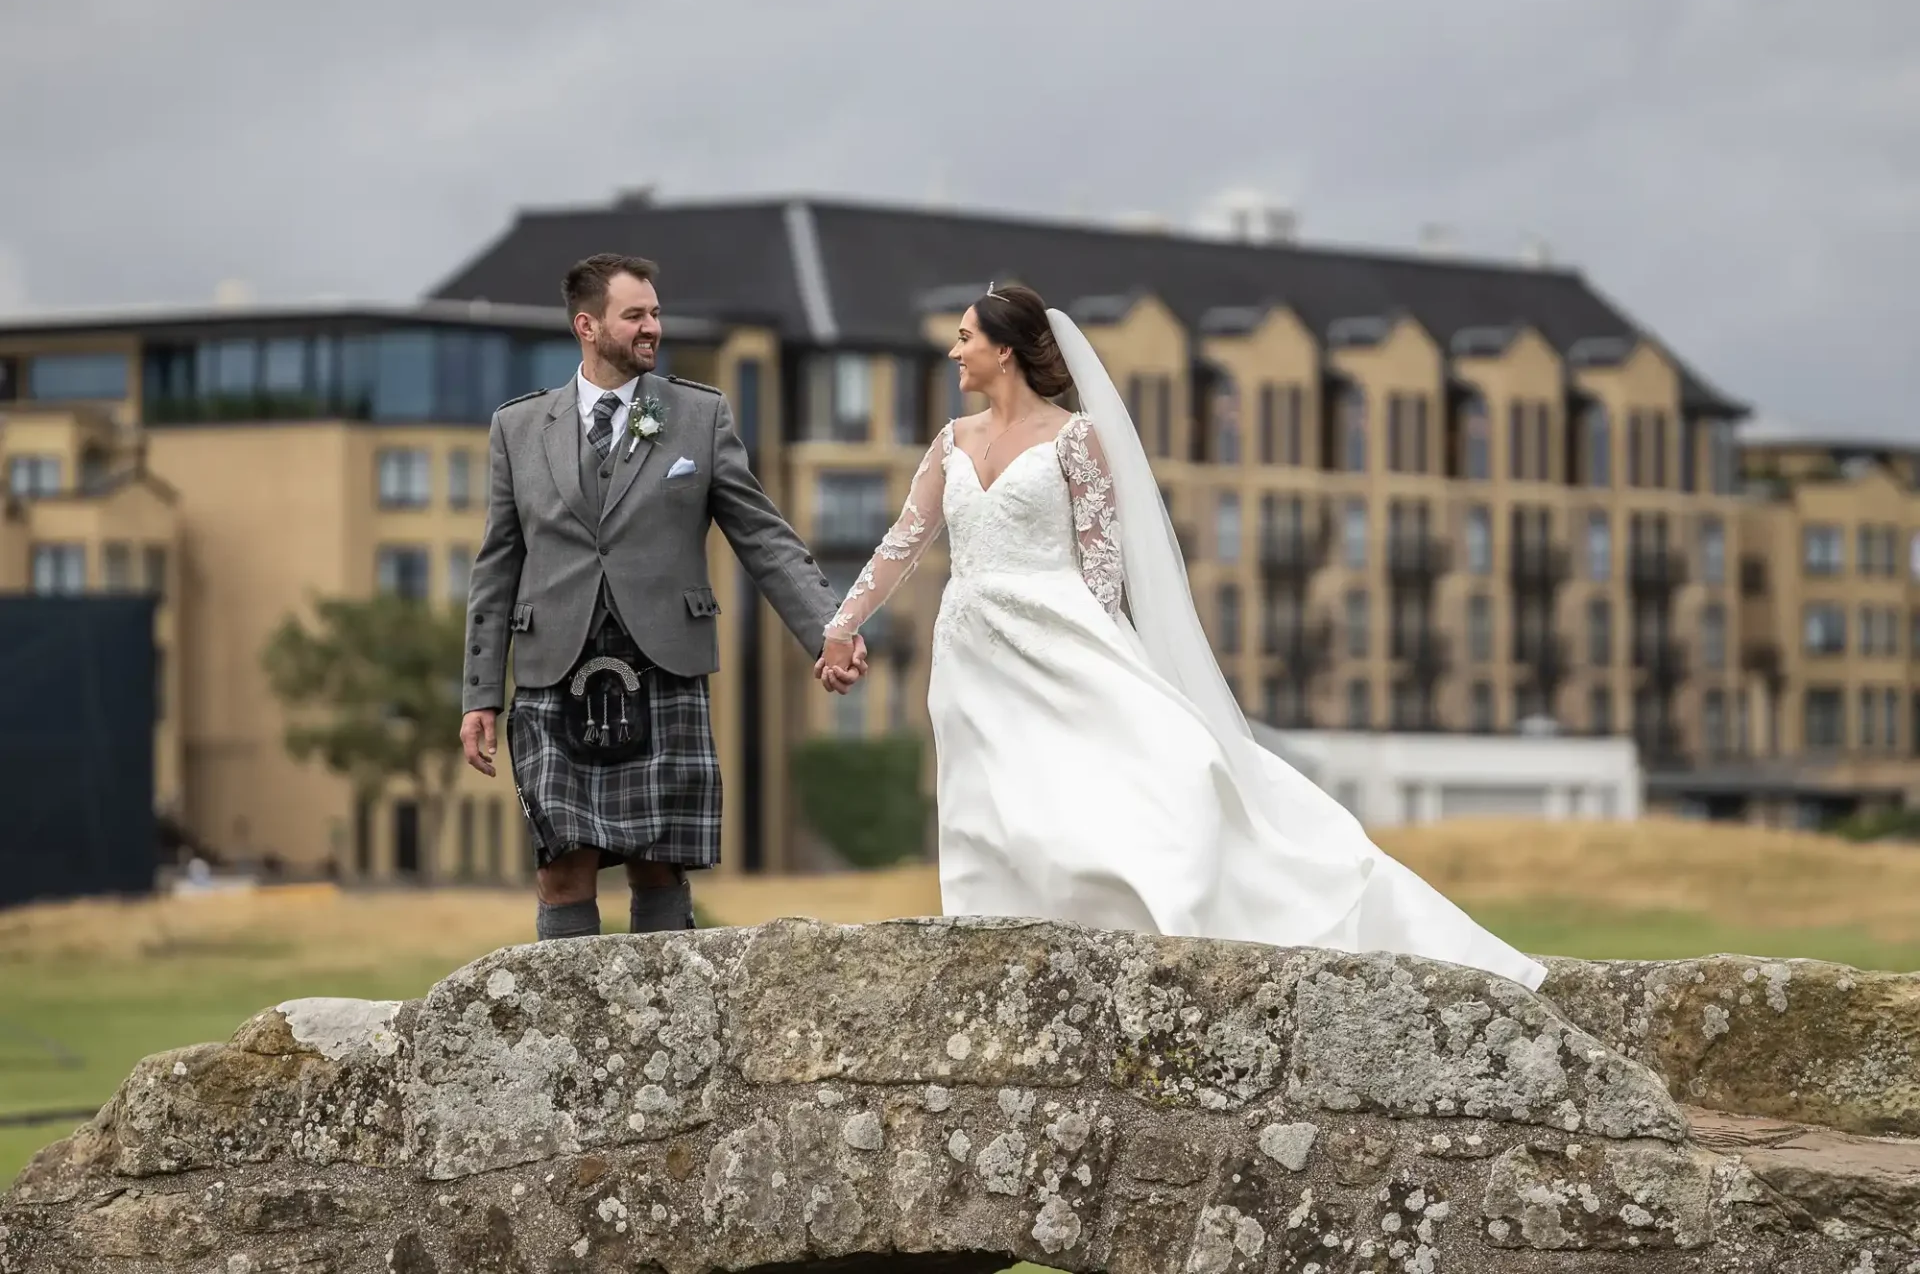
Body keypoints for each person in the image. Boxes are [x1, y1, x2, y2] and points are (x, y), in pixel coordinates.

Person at [814, 283, 1546, 990]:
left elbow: (1102, 564)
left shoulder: (1075, 439)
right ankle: (996, 948)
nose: (954, 351)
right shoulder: (950, 442)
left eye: (967, 337)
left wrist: (1104, 656)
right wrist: (843, 625)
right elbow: (902, 544)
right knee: (992, 799)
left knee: (1166, 768)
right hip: (971, 648)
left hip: (1060, 635)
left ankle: (1184, 905)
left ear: (1005, 352)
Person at [460, 253, 866, 940]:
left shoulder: (697, 416)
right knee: (563, 865)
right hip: (551, 668)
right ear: (587, 326)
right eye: (635, 315)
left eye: (655, 312)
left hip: (664, 660)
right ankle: (574, 1034)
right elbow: (498, 562)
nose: (653, 327)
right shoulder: (520, 429)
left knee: (660, 863)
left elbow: (763, 537)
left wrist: (830, 627)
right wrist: (478, 693)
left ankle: (667, 1033)